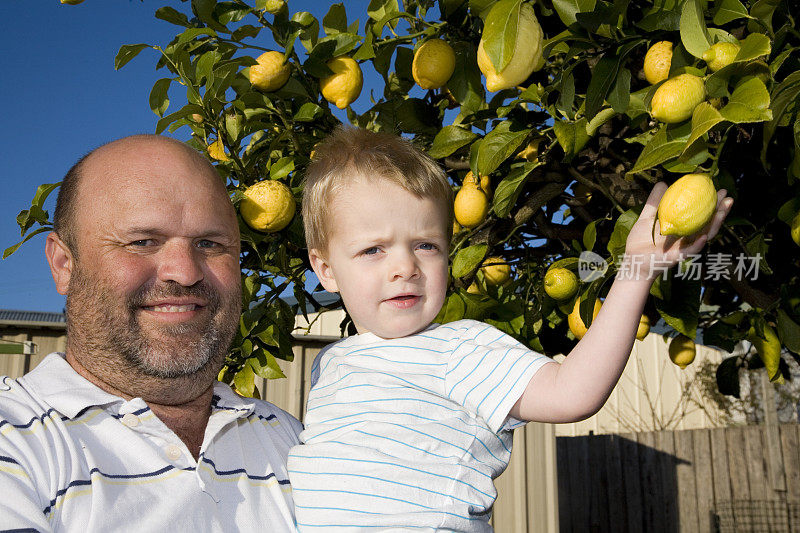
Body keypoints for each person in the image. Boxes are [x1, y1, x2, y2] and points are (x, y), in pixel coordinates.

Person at [287, 126, 733, 531]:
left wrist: (636, 270)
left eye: (425, 245)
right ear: (325, 269)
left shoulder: (459, 349)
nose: (405, 267)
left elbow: (573, 392)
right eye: (372, 250)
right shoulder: (330, 365)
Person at [0, 135, 303, 531]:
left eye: (210, 244)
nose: (185, 271)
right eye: (143, 241)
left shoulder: (293, 442)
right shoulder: (15, 443)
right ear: (63, 265)